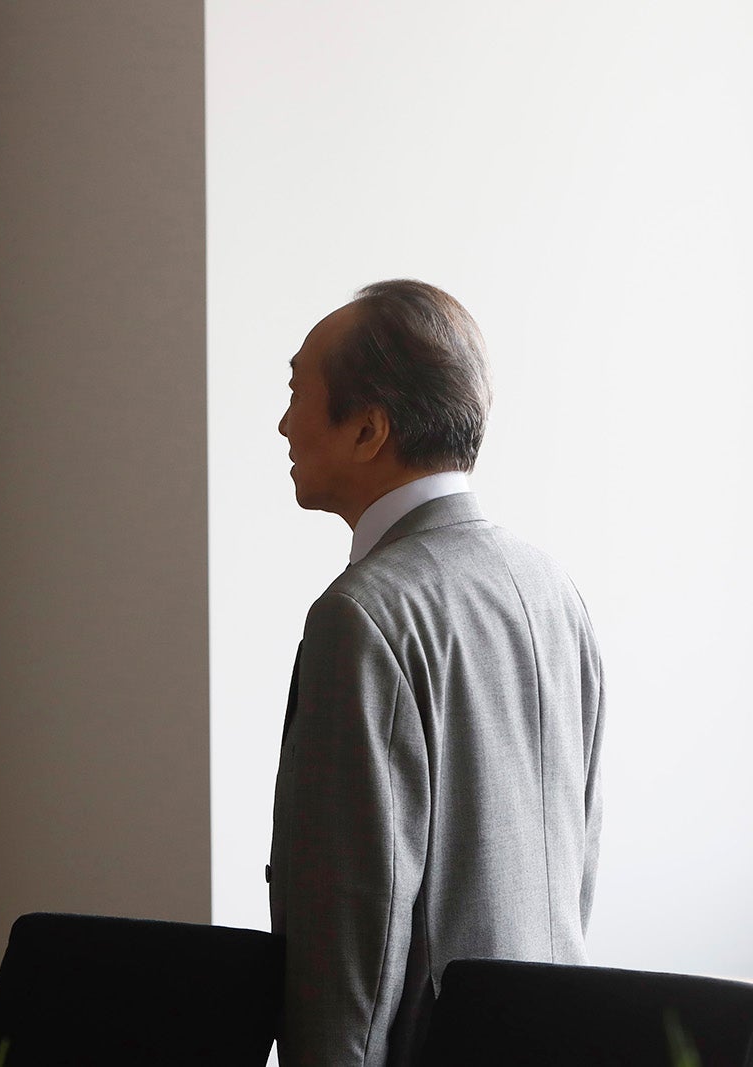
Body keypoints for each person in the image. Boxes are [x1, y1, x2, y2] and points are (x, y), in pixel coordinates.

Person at [268, 280, 604, 1066]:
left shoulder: (363, 614)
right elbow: (577, 864)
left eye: (296, 393)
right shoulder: (554, 588)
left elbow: (356, 929)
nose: (283, 424)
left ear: (368, 429)